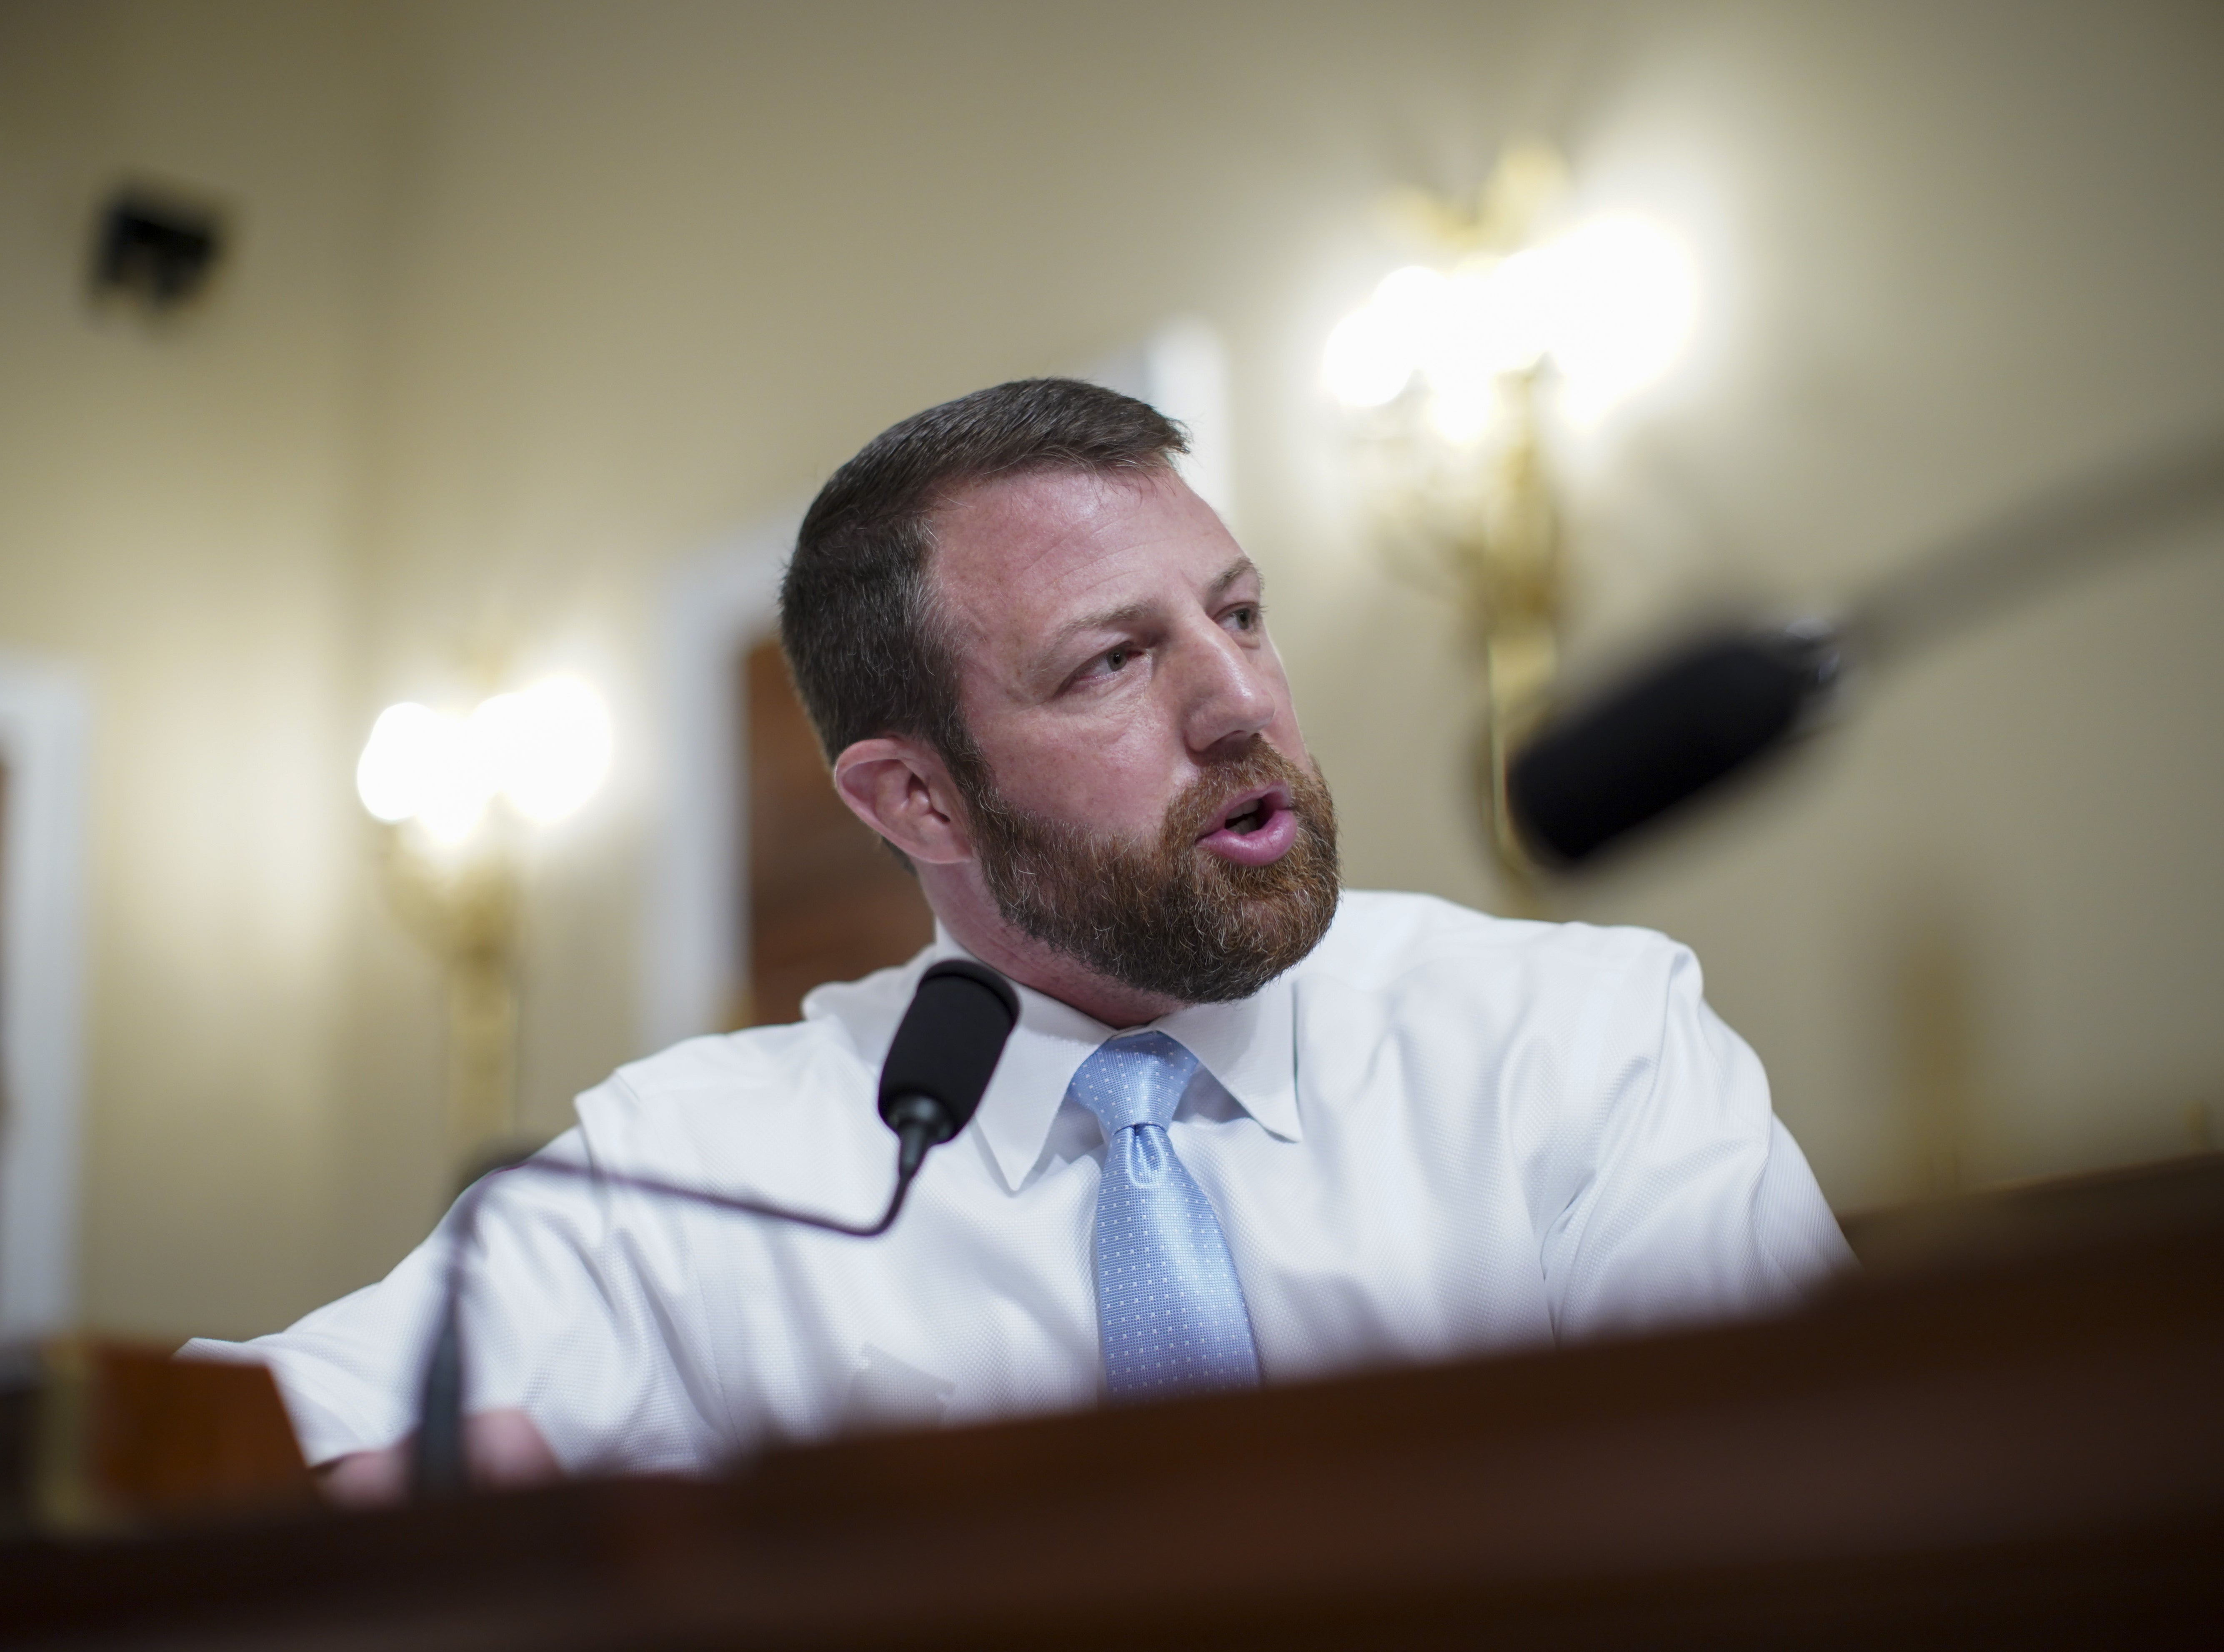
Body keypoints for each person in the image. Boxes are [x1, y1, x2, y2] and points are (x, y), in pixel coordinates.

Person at [186, 378, 1852, 1500]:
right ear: (914, 798)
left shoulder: (1582, 1043)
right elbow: (216, 1450)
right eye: (1112, 663)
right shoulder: (698, 1170)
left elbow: (1815, 1495)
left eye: (1241, 613)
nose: (1239, 701)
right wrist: (393, 1503)